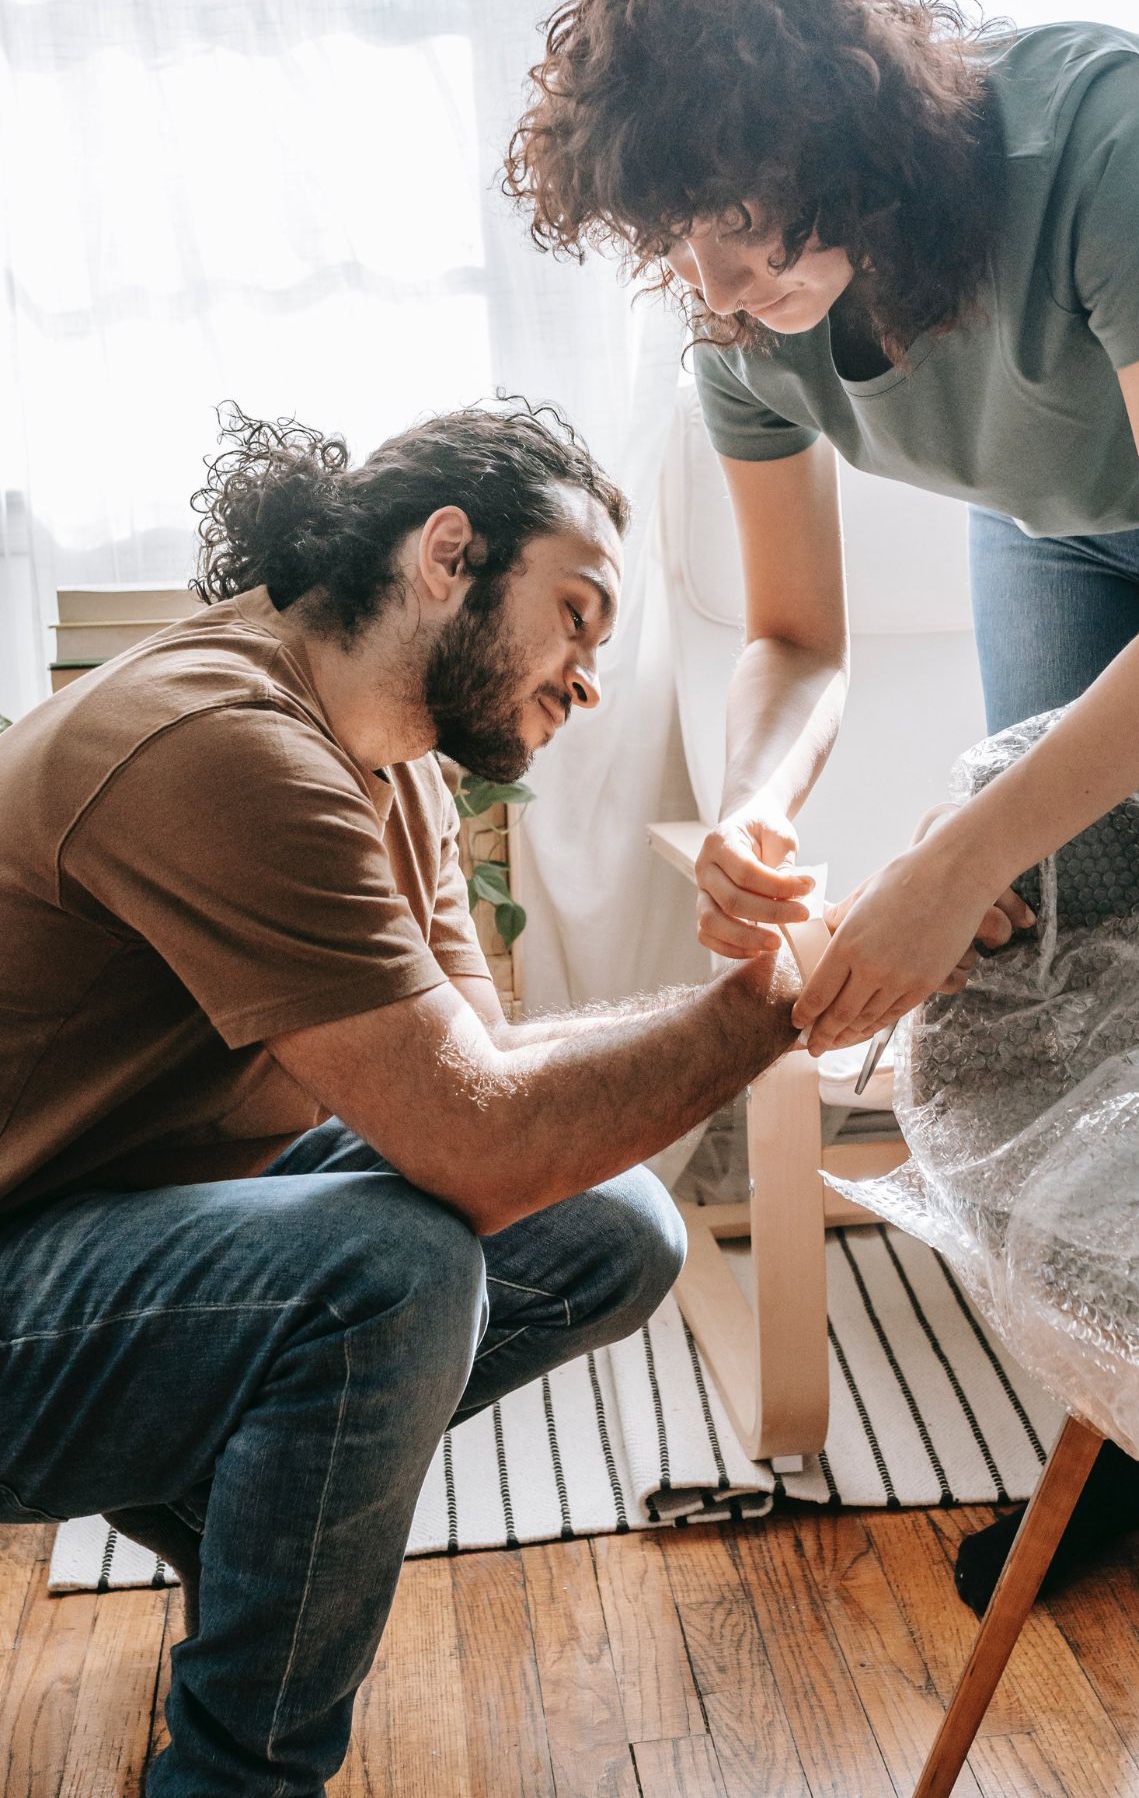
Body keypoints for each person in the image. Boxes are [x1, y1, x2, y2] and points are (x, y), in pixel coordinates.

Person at [504, 0, 1139, 1607]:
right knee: (1064, 955)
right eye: (683, 238)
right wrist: (762, 809)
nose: (722, 285)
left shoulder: (1105, 136)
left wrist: (946, 857)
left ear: (863, 135)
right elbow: (792, 637)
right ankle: (1127, 1450)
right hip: (1070, 524)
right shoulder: (741, 328)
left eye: (749, 225)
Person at [0, 397, 828, 1797]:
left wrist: (745, 989)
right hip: (26, 1274)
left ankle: (233, 1511)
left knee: (612, 1227)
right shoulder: (215, 743)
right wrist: (791, 995)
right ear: (448, 553)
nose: (588, 683)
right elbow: (477, 1146)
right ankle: (235, 1778)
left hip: (129, 1227)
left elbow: (484, 1096)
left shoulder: (396, 777)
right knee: (389, 1274)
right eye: (576, 615)